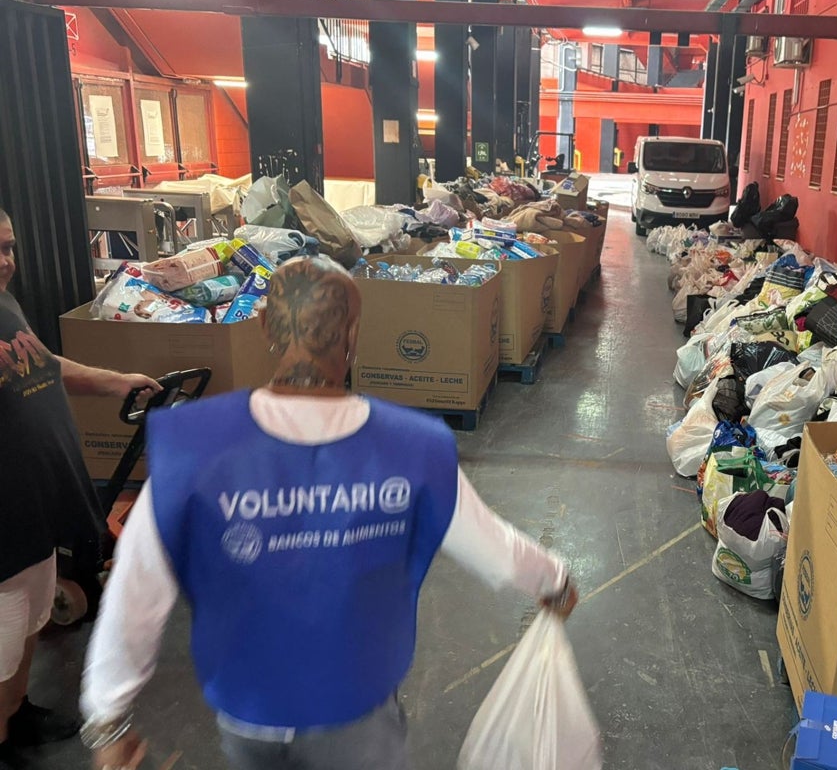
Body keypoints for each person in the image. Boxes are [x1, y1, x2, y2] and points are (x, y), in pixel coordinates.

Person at [81, 256, 578, 770]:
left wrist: (107, 718)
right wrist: (554, 580)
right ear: (355, 332)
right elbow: (489, 543)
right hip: (355, 709)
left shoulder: (194, 446)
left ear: (265, 326)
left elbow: (136, 587)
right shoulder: (413, 446)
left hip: (246, 711)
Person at [0, 208, 161, 770]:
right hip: (4, 521)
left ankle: (15, 714)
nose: (5, 262)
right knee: (1, 638)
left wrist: (114, 381)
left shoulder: (5, 305)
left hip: (37, 509)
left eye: (9, 248)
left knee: (32, 623)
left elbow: (40, 360)